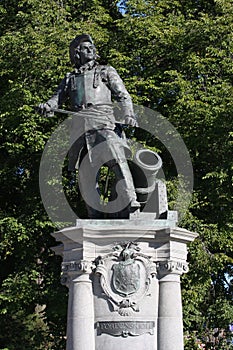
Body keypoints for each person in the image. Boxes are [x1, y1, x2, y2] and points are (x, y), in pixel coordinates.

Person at [38, 34, 140, 218]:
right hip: (80, 129)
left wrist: (129, 114)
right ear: (77, 54)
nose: (91, 50)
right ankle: (94, 214)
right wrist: (47, 106)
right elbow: (57, 99)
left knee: (117, 159)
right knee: (85, 174)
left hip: (103, 122)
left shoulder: (106, 71)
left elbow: (123, 95)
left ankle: (130, 199)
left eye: (91, 47)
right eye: (85, 48)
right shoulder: (70, 78)